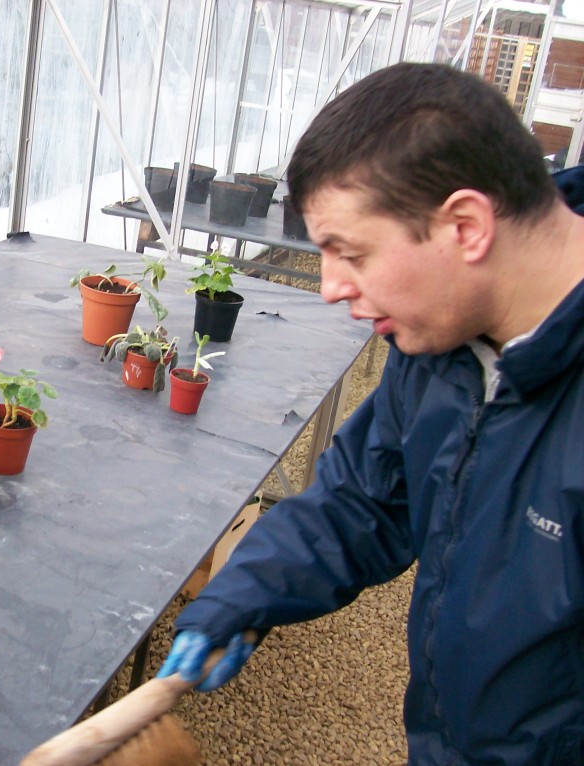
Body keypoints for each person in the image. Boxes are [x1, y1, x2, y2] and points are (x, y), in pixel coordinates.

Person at [157, 62, 584, 764]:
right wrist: (242, 595)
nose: (328, 287)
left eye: (349, 253)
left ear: (466, 226)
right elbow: (363, 499)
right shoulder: (448, 347)